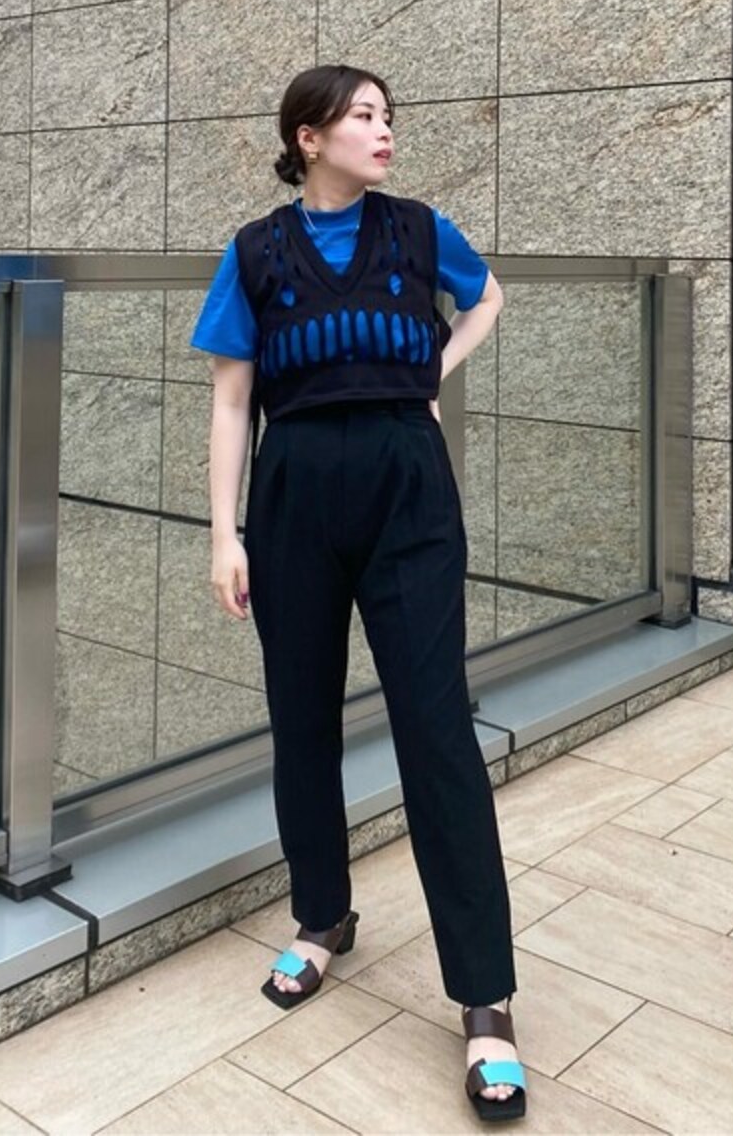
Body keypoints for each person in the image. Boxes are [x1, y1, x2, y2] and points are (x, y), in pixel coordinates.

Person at [190, 63, 526, 1121]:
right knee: (301, 719)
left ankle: (485, 997)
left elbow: (488, 297)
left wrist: (434, 373)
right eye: (364, 116)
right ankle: (321, 916)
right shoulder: (255, 251)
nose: (384, 131)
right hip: (293, 496)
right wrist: (224, 534)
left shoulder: (420, 229)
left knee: (436, 728)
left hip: (406, 491)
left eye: (388, 115)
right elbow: (231, 399)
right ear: (309, 136)